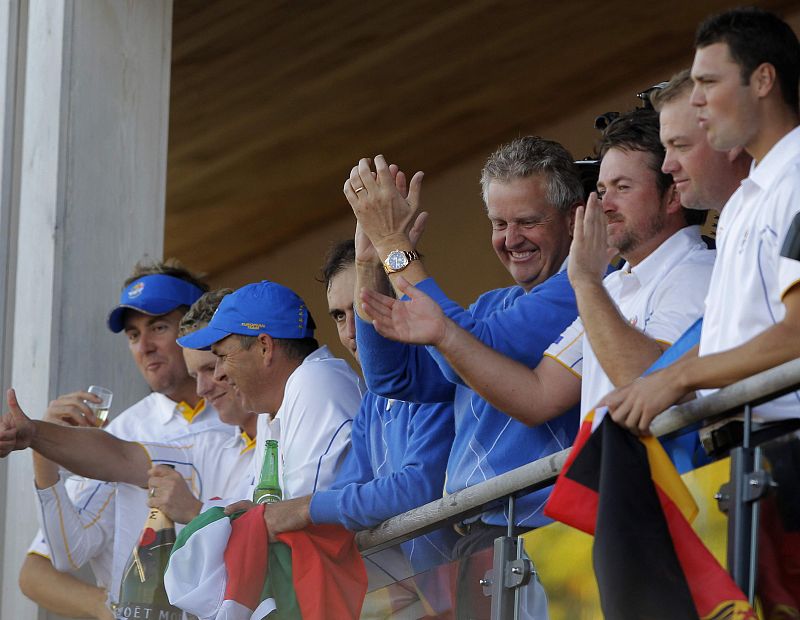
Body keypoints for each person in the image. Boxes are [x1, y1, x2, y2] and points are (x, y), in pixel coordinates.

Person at [359, 108, 714, 438]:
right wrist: (372, 265)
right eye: (602, 190)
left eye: (622, 188)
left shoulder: (695, 272)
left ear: (672, 197)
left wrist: (394, 244)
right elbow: (537, 396)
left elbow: (650, 384)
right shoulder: (611, 286)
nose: (603, 204)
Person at [346, 140, 584, 619]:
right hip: (480, 541)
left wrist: (396, 248)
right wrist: (371, 262)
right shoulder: (492, 304)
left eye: (528, 221)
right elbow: (394, 376)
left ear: (574, 219)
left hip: (544, 535)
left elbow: (475, 349)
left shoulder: (584, 287)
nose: (511, 238)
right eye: (499, 223)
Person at [601, 7, 800, 431]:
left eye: (709, 82)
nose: (697, 99)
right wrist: (653, 385)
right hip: (753, 447)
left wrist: (677, 378)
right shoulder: (743, 203)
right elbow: (727, 340)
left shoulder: (796, 177)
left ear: (763, 80)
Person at [16, 289, 257, 614]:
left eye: (159, 327)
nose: (145, 347)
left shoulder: (252, 416)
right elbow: (59, 557)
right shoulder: (125, 430)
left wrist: (197, 510)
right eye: (133, 334)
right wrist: (42, 443)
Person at [252, 240, 456, 575]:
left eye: (362, 309)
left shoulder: (437, 370)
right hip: (430, 595)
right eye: (339, 316)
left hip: (480, 583)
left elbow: (419, 487)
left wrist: (306, 508)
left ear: (399, 300)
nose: (351, 332)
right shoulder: (373, 402)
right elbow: (347, 492)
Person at [652, 68, 751, 212]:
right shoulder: (733, 222)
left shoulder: (784, 205)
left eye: (681, 146)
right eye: (666, 149)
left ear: (732, 140)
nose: (666, 167)